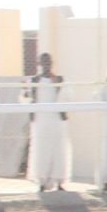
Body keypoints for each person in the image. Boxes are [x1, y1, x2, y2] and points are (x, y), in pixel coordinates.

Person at [24, 53, 71, 192]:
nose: (46, 64)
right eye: (43, 62)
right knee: (41, 150)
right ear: (39, 64)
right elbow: (24, 98)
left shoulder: (60, 79)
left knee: (58, 149)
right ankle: (42, 181)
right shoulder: (34, 80)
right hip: (41, 120)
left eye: (48, 62)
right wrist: (27, 96)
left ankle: (59, 181)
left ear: (52, 62)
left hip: (57, 119)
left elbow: (69, 96)